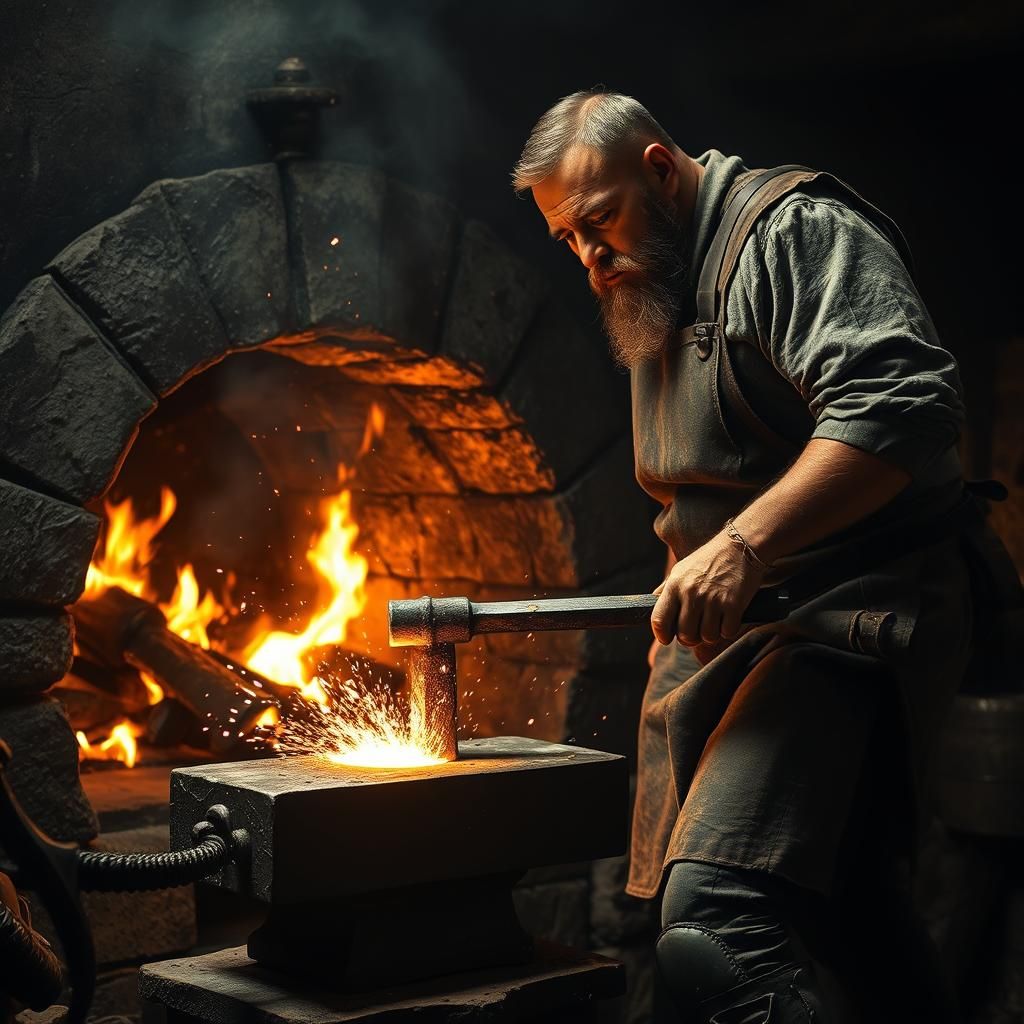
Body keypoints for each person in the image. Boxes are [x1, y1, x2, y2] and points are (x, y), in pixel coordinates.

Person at [513, 90, 977, 1022]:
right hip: (736, 633)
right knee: (854, 920)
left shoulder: (792, 234)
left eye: (599, 224)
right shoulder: (653, 279)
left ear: (660, 168)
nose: (591, 260)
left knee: (716, 920)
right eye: (568, 240)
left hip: (846, 617)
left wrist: (742, 546)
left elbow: (903, 406)